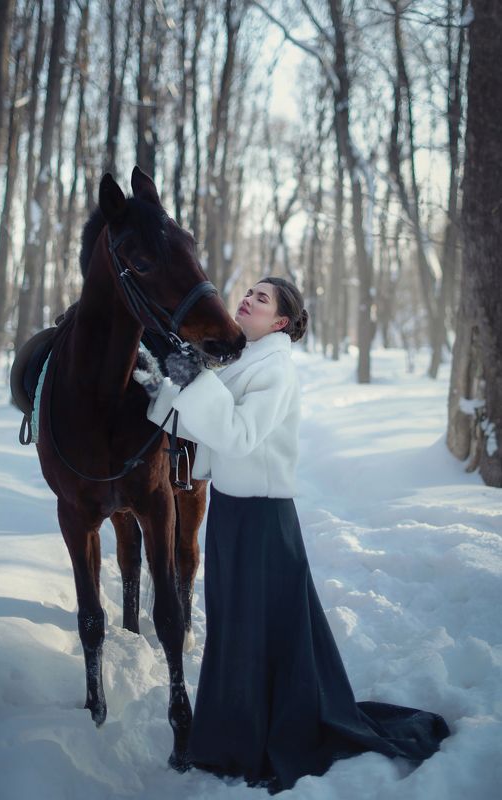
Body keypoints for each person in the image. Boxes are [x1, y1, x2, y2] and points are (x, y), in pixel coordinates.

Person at [133, 277, 450, 795]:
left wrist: (195, 382)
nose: (248, 299)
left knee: (257, 632)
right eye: (249, 292)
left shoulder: (275, 368)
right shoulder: (244, 360)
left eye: (262, 298)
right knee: (236, 628)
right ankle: (232, 732)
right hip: (234, 511)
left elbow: (237, 434)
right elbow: (204, 425)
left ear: (280, 321)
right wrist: (160, 386)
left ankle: (252, 739)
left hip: (261, 517)